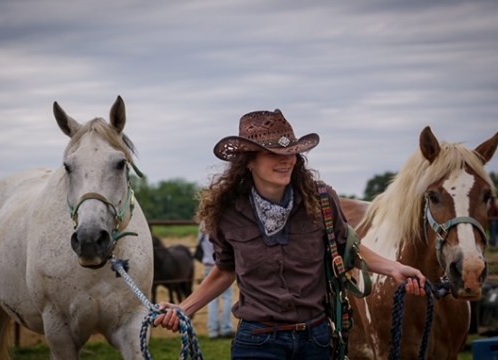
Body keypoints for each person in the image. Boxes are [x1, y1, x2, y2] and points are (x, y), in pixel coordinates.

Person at [155, 109, 427, 359]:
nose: (286, 160)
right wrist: (185, 308)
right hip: (258, 342)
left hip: (316, 340)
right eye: (273, 154)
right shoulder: (228, 213)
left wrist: (395, 268)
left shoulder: (320, 200)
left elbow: (349, 249)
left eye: (291, 153)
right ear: (248, 161)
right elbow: (226, 270)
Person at [198, 225, 235, 339]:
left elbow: (200, 244)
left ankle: (213, 330)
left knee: (211, 299)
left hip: (208, 266)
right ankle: (226, 328)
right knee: (228, 297)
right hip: (222, 266)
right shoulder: (223, 225)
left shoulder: (203, 227)